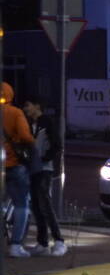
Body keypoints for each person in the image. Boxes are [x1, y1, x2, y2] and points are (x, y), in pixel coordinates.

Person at [24, 100, 66, 256]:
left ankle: (59, 241)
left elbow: (56, 144)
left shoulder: (46, 122)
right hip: (34, 169)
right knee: (36, 204)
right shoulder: (31, 124)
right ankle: (42, 243)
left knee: (45, 204)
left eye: (28, 105)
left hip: (44, 169)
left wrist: (45, 158)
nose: (26, 108)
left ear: (37, 106)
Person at [2, 82, 35, 258]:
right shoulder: (15, 113)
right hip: (13, 164)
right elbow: (24, 136)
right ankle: (15, 245)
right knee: (22, 204)